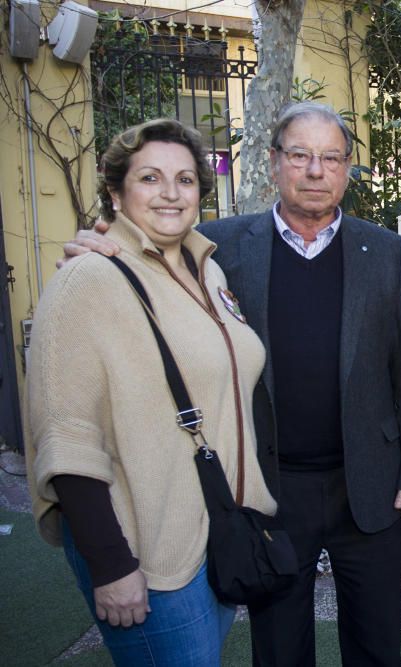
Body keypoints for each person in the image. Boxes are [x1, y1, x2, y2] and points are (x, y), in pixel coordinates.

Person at [59, 102, 401, 667]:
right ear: (274, 162)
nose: (316, 170)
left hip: (370, 484)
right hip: (268, 486)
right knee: (281, 648)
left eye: (331, 157)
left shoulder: (384, 250)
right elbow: (141, 254)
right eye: (300, 155)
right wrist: (96, 243)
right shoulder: (215, 247)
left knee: (378, 645)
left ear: (346, 169)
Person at [26, 118, 276, 664]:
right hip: (144, 544)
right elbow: (66, 437)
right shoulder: (88, 278)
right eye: (150, 178)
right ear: (115, 192)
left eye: (186, 180)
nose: (170, 193)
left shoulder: (205, 269)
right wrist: (111, 565)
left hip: (216, 528)